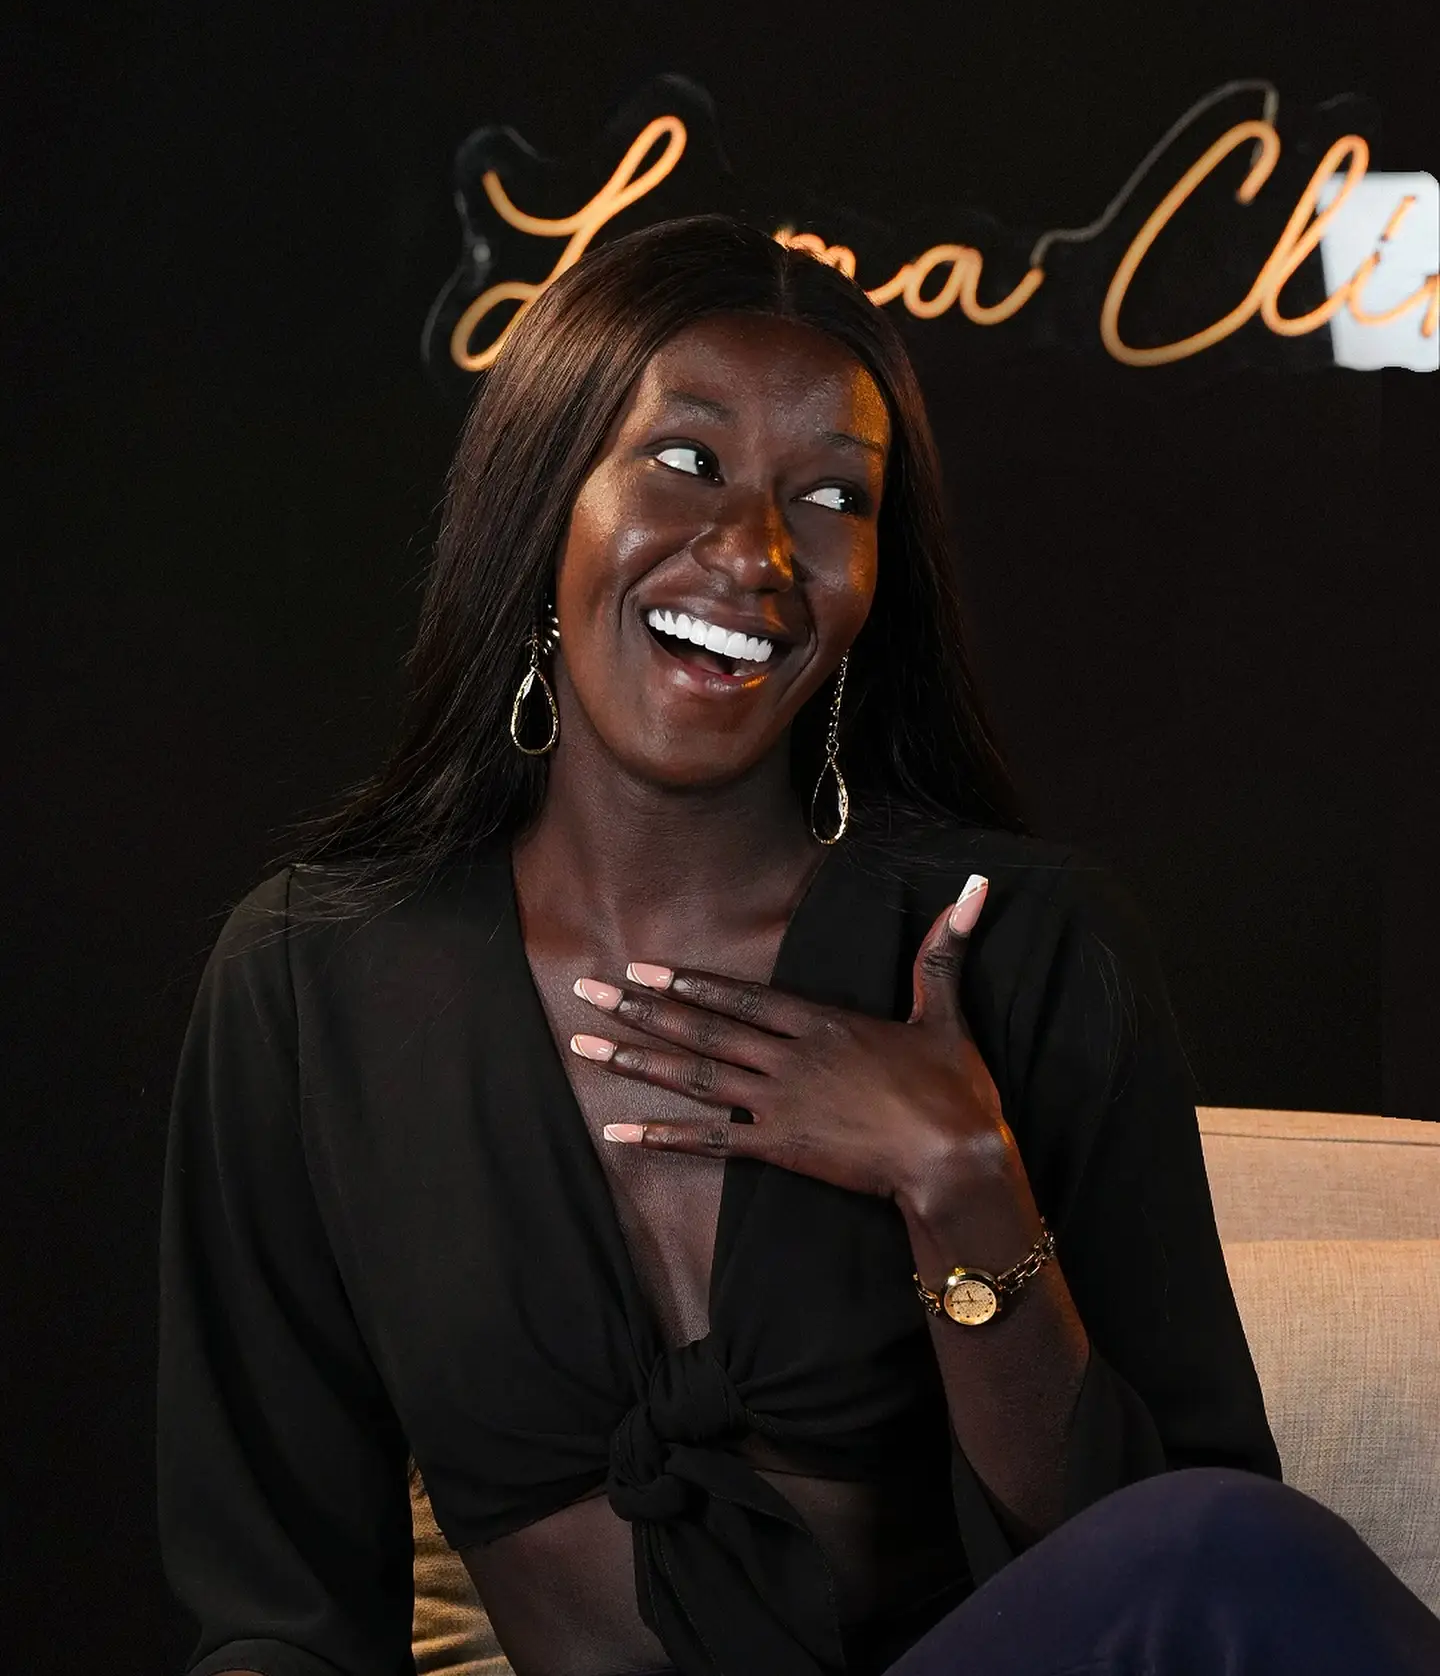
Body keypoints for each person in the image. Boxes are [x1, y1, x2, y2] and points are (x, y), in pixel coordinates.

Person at [157, 215, 1440, 1676]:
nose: (758, 553)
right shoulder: (312, 980)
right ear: (543, 502)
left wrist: (960, 1183)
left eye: (834, 496)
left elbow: (1164, 1571)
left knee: (1227, 1545)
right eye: (685, 460)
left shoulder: (1023, 944)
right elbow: (276, 1615)